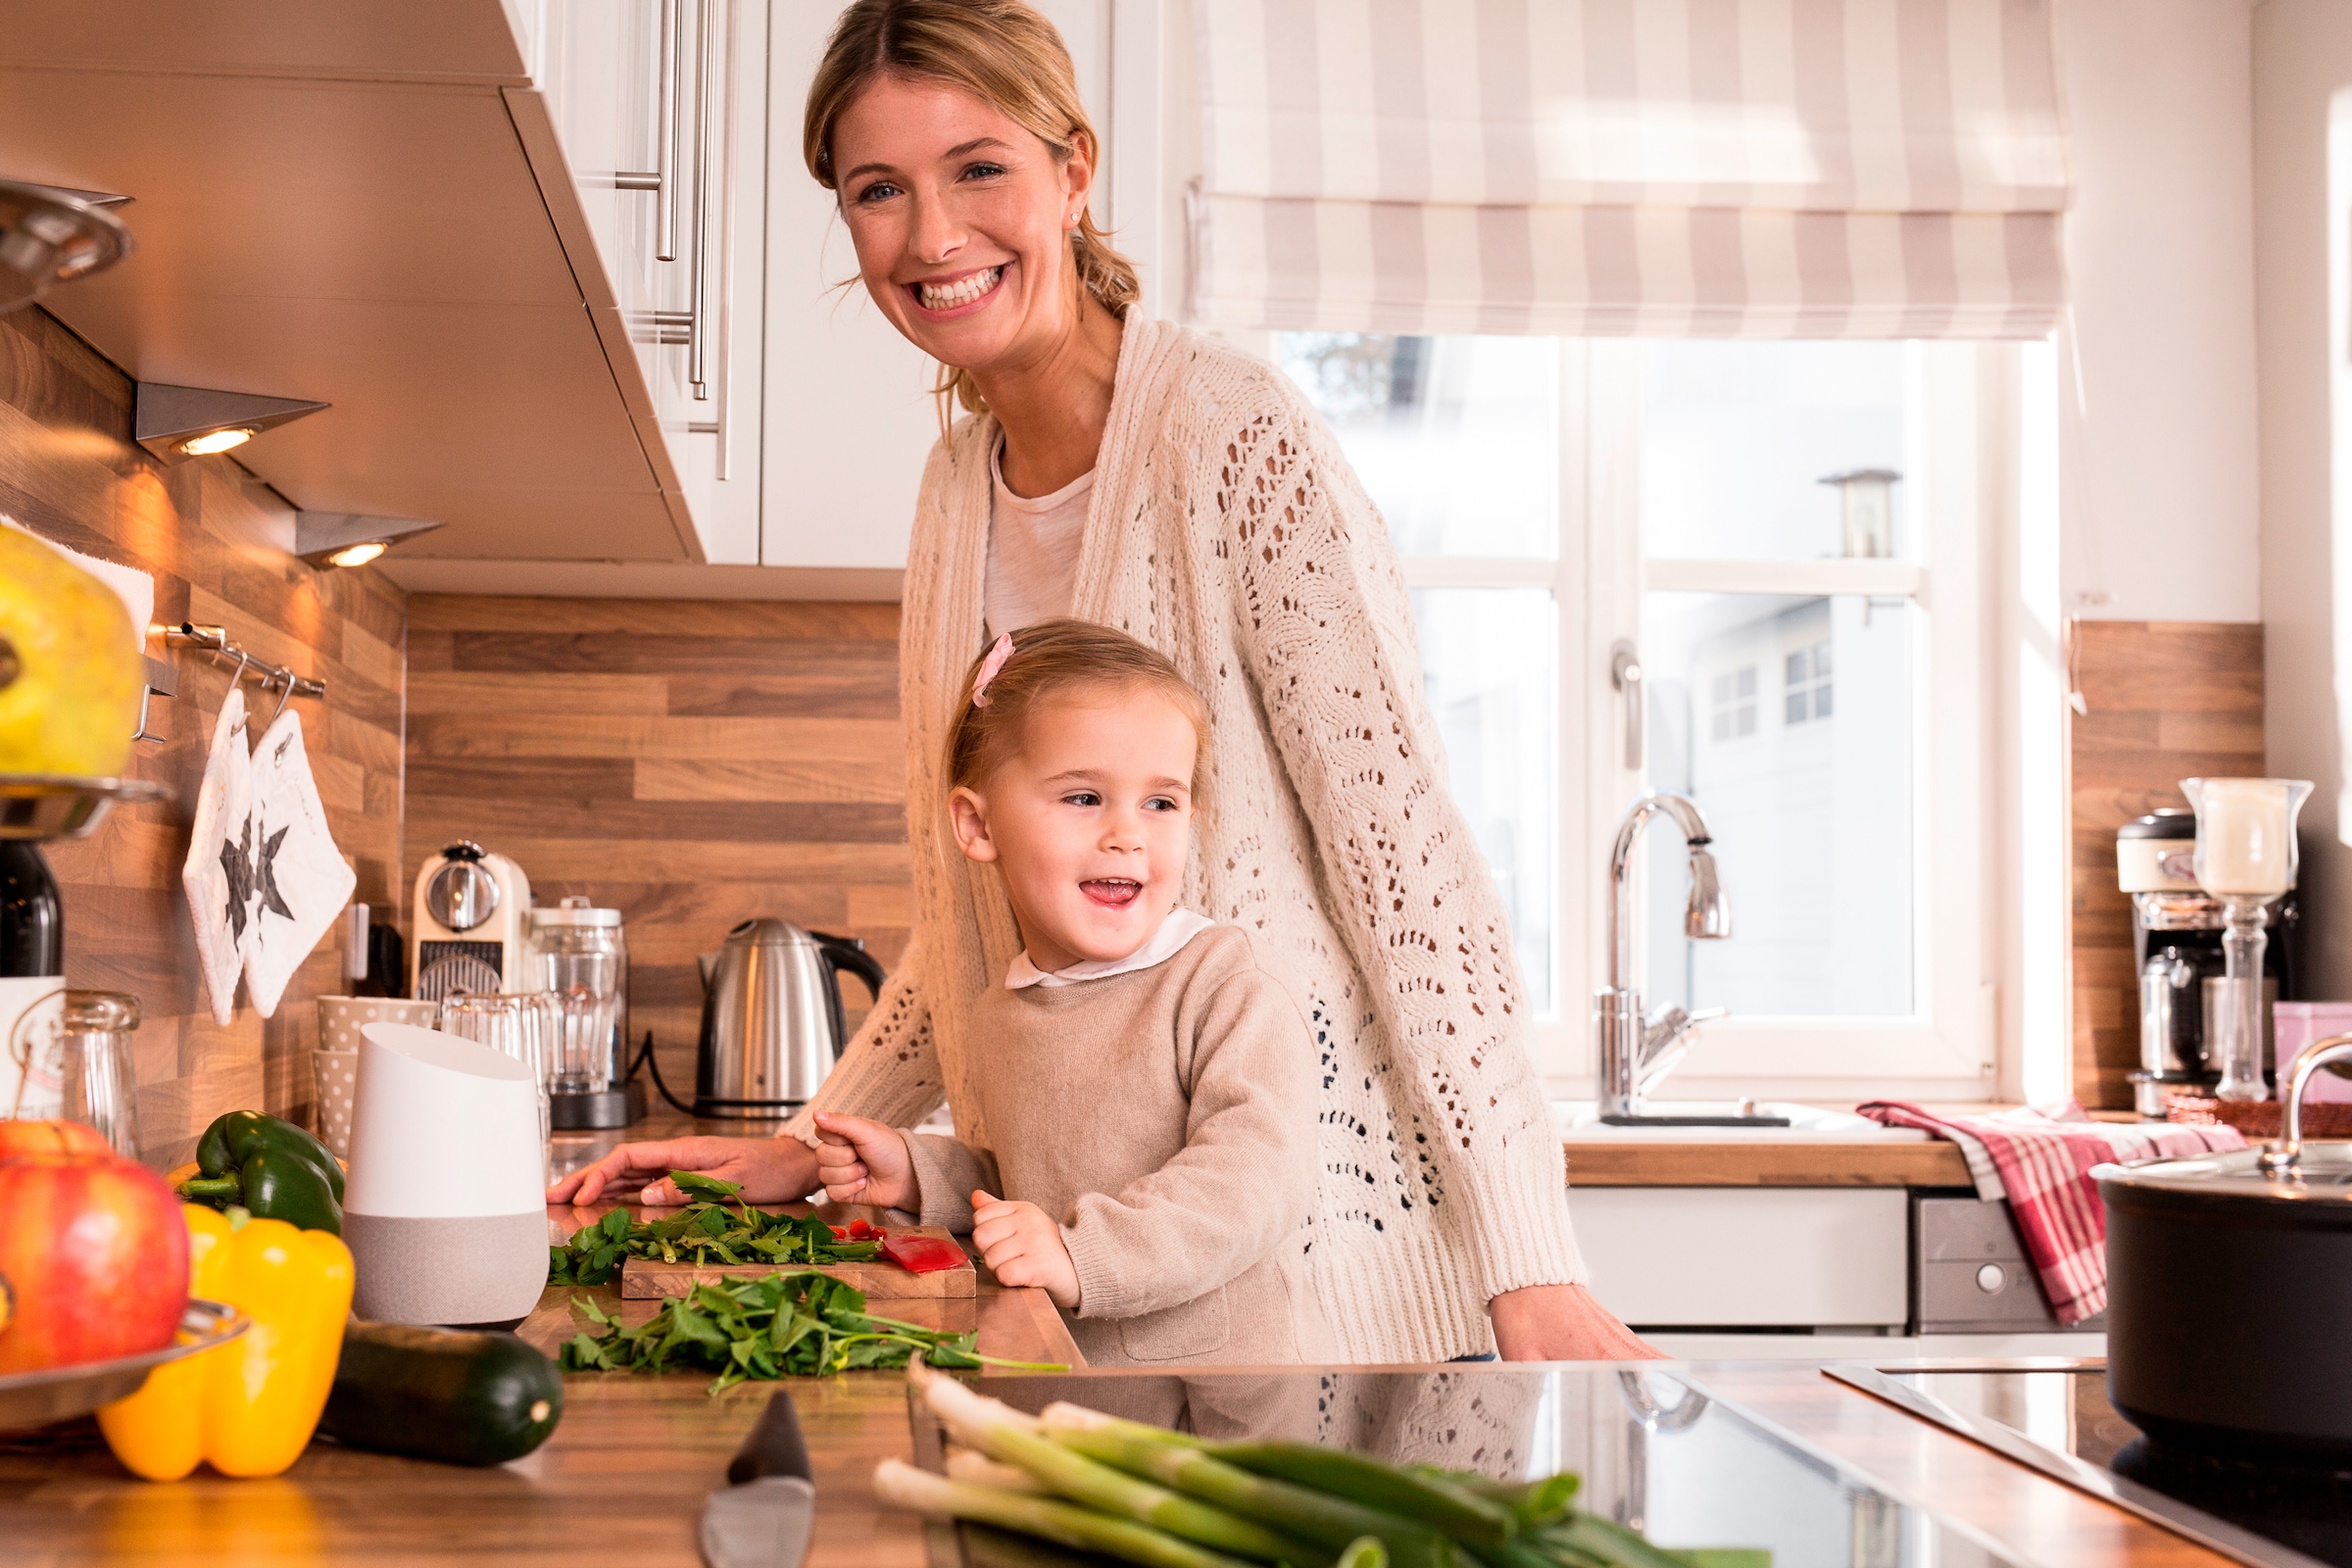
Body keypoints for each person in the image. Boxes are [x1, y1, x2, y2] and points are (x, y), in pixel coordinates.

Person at [549, 0, 1656, 1364]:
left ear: (1073, 171)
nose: (934, 237)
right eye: (878, 190)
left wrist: (1525, 1255)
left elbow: (1403, 856)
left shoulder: (1234, 439)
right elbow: (969, 927)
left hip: (1313, 1285)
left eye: (979, 168)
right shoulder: (955, 494)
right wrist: (810, 1143)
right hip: (1100, 1299)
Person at [812, 620, 1329, 1366]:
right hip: (1073, 1379)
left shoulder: (1221, 983)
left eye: (1161, 803)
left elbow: (1252, 1182)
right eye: (1085, 797)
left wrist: (1081, 1254)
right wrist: (921, 1171)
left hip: (1219, 1408)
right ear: (977, 824)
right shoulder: (1004, 1010)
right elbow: (1032, 1182)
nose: (1127, 834)